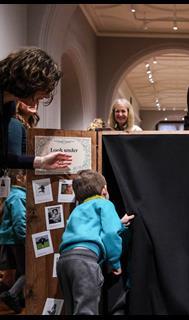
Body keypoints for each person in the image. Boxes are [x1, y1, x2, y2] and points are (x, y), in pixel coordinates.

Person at [56, 169, 135, 315]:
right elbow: (110, 234)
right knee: (87, 310)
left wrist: (119, 223)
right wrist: (114, 262)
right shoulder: (104, 204)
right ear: (104, 190)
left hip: (64, 262)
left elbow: (92, 229)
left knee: (71, 309)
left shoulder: (77, 209)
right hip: (85, 261)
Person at [0, 47, 72, 170]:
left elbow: (3, 157)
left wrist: (41, 162)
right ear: (30, 79)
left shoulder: (9, 105)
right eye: (45, 88)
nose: (47, 95)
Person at [0, 169, 27, 314]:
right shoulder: (18, 196)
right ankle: (11, 294)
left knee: (20, 270)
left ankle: (19, 297)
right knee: (27, 270)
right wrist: (25, 239)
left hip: (10, 239)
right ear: (19, 177)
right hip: (16, 240)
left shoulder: (14, 195)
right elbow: (19, 221)